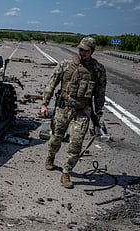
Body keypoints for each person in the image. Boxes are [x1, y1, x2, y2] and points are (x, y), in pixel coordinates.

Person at [40, 37, 107, 189]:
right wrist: (45, 104)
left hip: (83, 111)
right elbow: (52, 83)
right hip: (63, 108)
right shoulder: (66, 65)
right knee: (56, 138)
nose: (82, 53)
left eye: (86, 50)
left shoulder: (98, 70)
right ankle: (50, 157)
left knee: (76, 143)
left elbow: (100, 93)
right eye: (80, 49)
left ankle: (66, 172)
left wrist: (98, 113)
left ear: (92, 51)